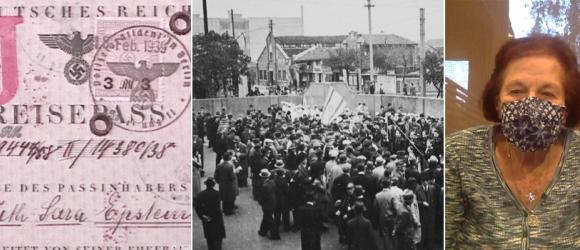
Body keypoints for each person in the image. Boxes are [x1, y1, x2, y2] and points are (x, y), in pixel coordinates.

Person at [446, 36, 580, 248]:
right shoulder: (458, 153)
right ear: (498, 102)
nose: (531, 103)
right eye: (516, 91)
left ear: (566, 108)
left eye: (547, 93)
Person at [194, 177, 226, 250]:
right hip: (216, 217)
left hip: (206, 218)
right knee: (217, 235)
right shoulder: (217, 194)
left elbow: (197, 207)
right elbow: (219, 206)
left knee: (209, 235)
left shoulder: (201, 194)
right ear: (213, 185)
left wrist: (202, 216)